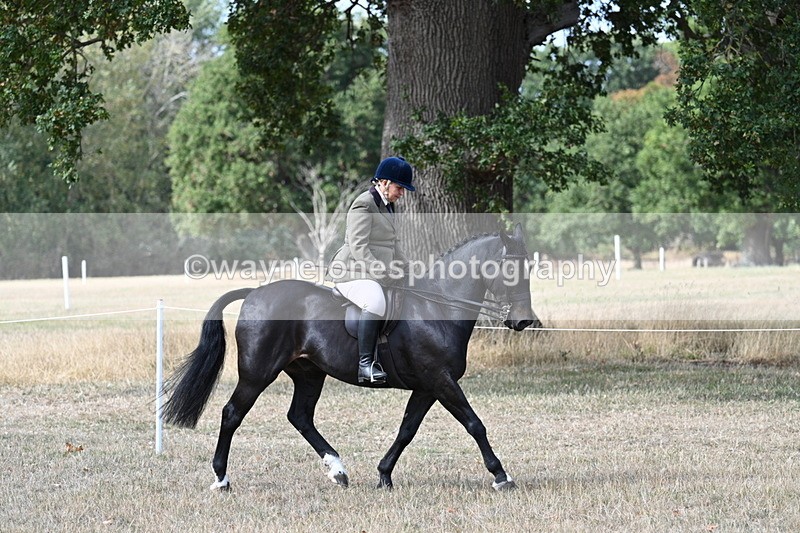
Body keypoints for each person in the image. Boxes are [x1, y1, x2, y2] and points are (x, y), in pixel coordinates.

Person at [327, 156, 415, 384]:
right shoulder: (364, 204)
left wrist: (409, 268)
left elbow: (393, 244)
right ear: (384, 182)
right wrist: (383, 272)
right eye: (399, 188)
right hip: (352, 272)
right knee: (374, 301)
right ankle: (366, 365)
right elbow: (359, 247)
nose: (402, 193)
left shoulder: (388, 206)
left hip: (373, 272)